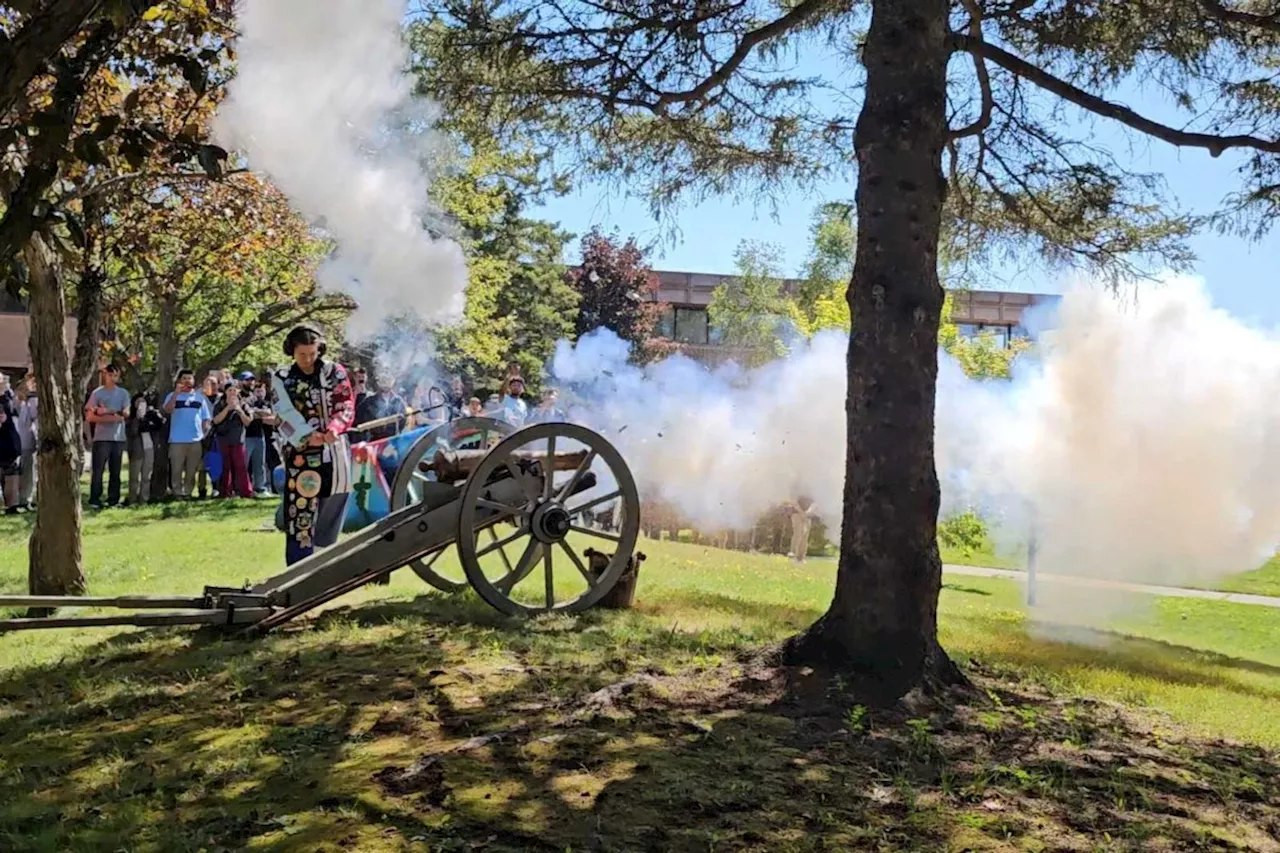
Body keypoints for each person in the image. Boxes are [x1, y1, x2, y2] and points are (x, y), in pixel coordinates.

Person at [270, 324, 356, 565]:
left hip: (334, 449)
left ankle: (325, 559)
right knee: (301, 508)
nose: (308, 359)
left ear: (320, 349)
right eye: (302, 354)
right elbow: (282, 411)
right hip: (302, 454)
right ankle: (299, 566)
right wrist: (307, 434)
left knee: (337, 496)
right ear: (292, 352)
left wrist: (335, 428)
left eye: (312, 353)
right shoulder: (282, 377)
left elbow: (346, 403)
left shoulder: (334, 372)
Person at [85, 364, 130, 509]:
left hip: (118, 438)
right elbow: (90, 416)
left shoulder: (123, 393)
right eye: (110, 375)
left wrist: (107, 411)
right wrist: (109, 417)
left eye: (115, 375)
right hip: (101, 438)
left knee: (115, 471)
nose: (112, 378)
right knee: (98, 470)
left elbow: (125, 413)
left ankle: (113, 500)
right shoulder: (97, 393)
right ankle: (95, 499)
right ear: (105, 375)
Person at [164, 369, 212, 499]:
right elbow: (167, 410)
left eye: (189, 378)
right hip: (177, 439)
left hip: (195, 439)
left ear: (193, 381)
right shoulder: (172, 396)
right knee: (176, 469)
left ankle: (188, 492)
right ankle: (177, 493)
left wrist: (204, 432)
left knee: (192, 470)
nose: (187, 381)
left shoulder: (200, 398)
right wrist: (176, 394)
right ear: (179, 381)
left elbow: (206, 418)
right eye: (184, 378)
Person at [212, 383, 253, 499]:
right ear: (225, 392)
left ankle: (245, 492)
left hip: (238, 440)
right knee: (225, 467)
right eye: (230, 390)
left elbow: (248, 422)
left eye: (234, 390)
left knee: (241, 467)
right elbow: (215, 420)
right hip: (223, 439)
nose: (232, 392)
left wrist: (239, 410)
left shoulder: (244, 404)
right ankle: (225, 493)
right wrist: (227, 409)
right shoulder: (219, 404)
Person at [125, 393, 165, 506]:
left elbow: (159, 425)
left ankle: (144, 499)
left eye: (143, 402)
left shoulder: (151, 414)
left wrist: (152, 415)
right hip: (137, 449)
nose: (141, 404)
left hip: (149, 448)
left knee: (146, 476)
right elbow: (133, 431)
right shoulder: (131, 417)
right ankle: (132, 499)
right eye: (138, 402)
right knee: (134, 477)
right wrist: (138, 417)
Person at [240, 373, 274, 496]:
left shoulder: (261, 401)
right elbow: (250, 414)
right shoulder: (244, 399)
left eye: (252, 379)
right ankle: (242, 488)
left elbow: (269, 413)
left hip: (260, 435)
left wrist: (256, 413)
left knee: (260, 464)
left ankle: (260, 487)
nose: (251, 382)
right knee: (244, 464)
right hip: (246, 436)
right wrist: (258, 414)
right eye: (247, 380)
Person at [354, 375, 408, 442]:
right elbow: (358, 420)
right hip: (373, 441)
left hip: (393, 441)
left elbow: (403, 421)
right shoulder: (368, 401)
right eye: (383, 380)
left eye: (388, 380)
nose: (386, 383)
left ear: (393, 381)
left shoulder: (398, 401)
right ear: (378, 382)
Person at [0, 374, 23, 514]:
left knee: (11, 473)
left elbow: (16, 413)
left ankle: (12, 504)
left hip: (9, 440)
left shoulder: (10, 397)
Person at [17, 372, 37, 509]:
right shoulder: (25, 401)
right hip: (27, 437)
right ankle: (25, 498)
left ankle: (39, 497)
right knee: (27, 466)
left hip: (41, 435)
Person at [787, 497, 815, 563]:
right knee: (798, 534)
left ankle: (801, 558)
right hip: (797, 514)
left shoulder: (812, 492)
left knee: (805, 537)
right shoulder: (797, 489)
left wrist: (808, 512)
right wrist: (802, 512)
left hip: (808, 516)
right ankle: (793, 555)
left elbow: (815, 503)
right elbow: (794, 502)